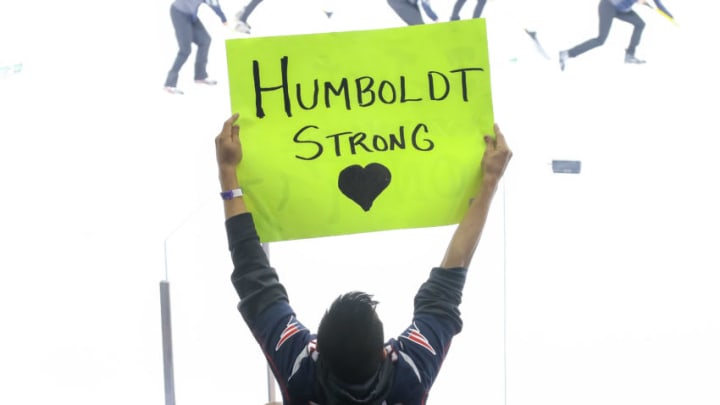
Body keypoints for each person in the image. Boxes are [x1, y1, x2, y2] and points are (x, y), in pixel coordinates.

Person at [214, 113, 512, 404]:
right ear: (384, 353)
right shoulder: (409, 373)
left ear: (318, 350)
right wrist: (488, 183)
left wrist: (228, 171)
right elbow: (450, 276)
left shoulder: (301, 371)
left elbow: (253, 275)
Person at [558, 0, 675, 70]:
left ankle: (629, 55)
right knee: (601, 40)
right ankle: (566, 53)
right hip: (608, 6)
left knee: (640, 24)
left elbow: (659, 5)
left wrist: (671, 17)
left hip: (622, 11)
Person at [164, 0, 228, 95]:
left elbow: (214, 4)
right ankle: (169, 84)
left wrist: (223, 19)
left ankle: (200, 76)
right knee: (185, 50)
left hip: (191, 16)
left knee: (205, 40)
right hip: (179, 13)